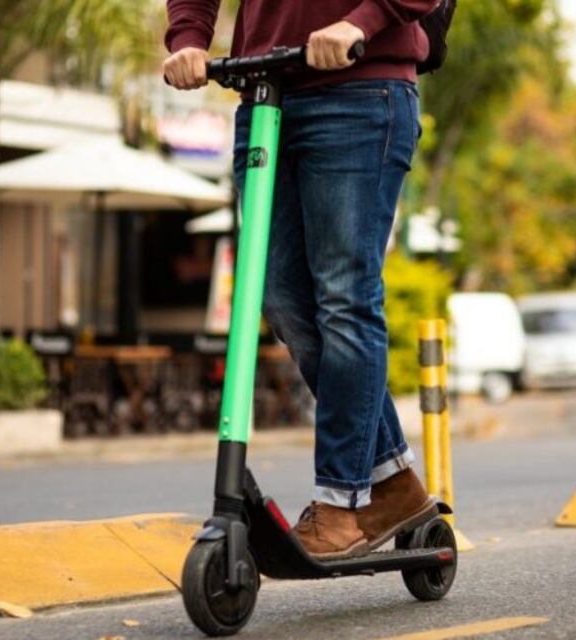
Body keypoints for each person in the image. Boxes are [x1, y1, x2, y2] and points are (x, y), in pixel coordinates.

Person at [164, 0, 439, 560]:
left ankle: (341, 503)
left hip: (361, 91)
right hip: (264, 94)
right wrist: (189, 38)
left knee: (345, 298)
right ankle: (394, 484)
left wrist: (356, 25)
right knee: (280, 299)